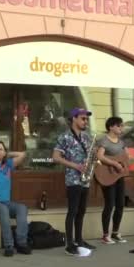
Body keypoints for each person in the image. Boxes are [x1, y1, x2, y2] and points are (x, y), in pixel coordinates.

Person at [52, 107, 97, 256]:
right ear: (74, 119)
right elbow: (56, 157)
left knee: (82, 211)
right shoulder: (64, 137)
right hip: (73, 178)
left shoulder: (86, 137)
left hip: (85, 179)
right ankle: (69, 244)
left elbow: (91, 155)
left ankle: (79, 240)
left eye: (86, 119)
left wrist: (92, 161)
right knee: (72, 211)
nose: (86, 121)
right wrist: (75, 166)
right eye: (83, 118)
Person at [97, 116, 128, 245]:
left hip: (118, 176)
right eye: (119, 125)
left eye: (122, 126)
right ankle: (105, 235)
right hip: (107, 175)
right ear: (111, 127)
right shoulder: (103, 140)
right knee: (109, 204)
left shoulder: (121, 142)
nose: (121, 128)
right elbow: (99, 156)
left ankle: (115, 232)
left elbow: (126, 157)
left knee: (120, 204)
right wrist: (114, 164)